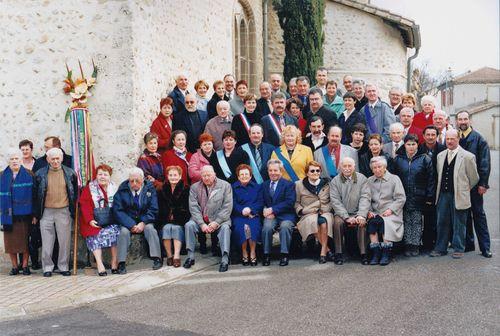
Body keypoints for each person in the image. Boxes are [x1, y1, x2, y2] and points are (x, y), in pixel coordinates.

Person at [430, 130, 479, 259]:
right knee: (442, 222)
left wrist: (464, 189)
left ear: (458, 139)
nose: (450, 141)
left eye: (452, 139)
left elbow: (474, 178)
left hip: (459, 194)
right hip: (443, 195)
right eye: (447, 139)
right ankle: (441, 248)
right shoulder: (441, 155)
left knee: (459, 223)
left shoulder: (468, 156)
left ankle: (458, 248)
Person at [32, 148, 78, 277]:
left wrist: (73, 211)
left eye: (58, 158)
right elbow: (35, 195)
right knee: (47, 241)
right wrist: (36, 214)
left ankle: (63, 266)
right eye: (52, 159)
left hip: (63, 210)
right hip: (46, 211)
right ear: (48, 160)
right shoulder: (40, 174)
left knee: (64, 240)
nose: (55, 161)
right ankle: (47, 267)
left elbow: (74, 193)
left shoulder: (70, 173)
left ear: (62, 158)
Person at [456, 111, 492, 258]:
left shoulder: (479, 139)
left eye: (465, 119)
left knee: (478, 215)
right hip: (460, 184)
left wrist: (483, 183)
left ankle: (485, 247)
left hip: (475, 184)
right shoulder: (455, 137)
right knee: (464, 215)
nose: (463, 121)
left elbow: (485, 163)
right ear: (456, 121)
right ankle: (468, 244)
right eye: (460, 119)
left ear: (470, 120)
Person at [392, 134, 434, 257]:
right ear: (404, 145)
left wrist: (429, 196)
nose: (411, 147)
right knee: (405, 220)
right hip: (403, 195)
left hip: (419, 195)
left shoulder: (424, 159)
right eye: (408, 144)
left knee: (416, 221)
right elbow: (394, 178)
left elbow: (431, 179)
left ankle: (415, 245)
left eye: (413, 144)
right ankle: (407, 244)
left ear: (417, 145)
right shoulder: (398, 159)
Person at [113, 168, 162, 274]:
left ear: (142, 179)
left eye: (137, 181)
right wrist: (131, 224)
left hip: (145, 220)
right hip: (128, 220)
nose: (134, 183)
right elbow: (117, 210)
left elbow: (154, 209)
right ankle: (121, 263)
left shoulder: (150, 188)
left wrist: (143, 222)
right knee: (123, 232)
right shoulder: (122, 189)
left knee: (150, 229)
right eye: (131, 181)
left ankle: (157, 258)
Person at [185, 165, 233, 272]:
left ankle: (225, 258)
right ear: (201, 176)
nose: (206, 178)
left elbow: (227, 207)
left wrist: (216, 222)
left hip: (220, 219)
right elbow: (193, 207)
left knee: (225, 228)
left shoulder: (225, 186)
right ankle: (190, 256)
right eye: (204, 175)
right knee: (189, 225)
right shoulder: (194, 187)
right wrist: (201, 224)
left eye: (209, 175)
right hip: (201, 219)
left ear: (214, 174)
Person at [78, 164, 120, 276]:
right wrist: (90, 220)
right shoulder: (90, 188)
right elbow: (84, 205)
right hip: (94, 221)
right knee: (94, 235)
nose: (102, 177)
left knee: (116, 232)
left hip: (111, 220)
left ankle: (114, 261)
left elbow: (120, 205)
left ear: (109, 176)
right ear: (96, 175)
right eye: (100, 174)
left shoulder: (114, 187)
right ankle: (100, 263)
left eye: (105, 174)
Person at [366, 156, 406, 266]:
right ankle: (376, 253)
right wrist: (369, 211)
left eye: (379, 167)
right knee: (373, 223)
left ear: (385, 167)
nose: (377, 170)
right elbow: (366, 198)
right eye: (374, 168)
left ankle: (386, 253)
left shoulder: (394, 179)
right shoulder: (369, 181)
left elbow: (401, 198)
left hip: (391, 213)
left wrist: (391, 210)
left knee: (384, 222)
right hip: (375, 212)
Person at [330, 157, 370, 265]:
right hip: (342, 213)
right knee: (337, 223)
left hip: (358, 212)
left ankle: (363, 253)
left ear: (354, 167)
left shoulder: (362, 179)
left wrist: (361, 215)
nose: (347, 168)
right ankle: (338, 253)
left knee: (362, 223)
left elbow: (365, 198)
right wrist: (346, 217)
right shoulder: (335, 181)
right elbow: (335, 201)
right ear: (340, 167)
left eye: (349, 166)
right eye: (344, 166)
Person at [1, 149, 34, 275]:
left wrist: (34, 215)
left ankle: (25, 266)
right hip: (7, 215)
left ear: (21, 161)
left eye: (17, 159)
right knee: (10, 243)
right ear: (8, 161)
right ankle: (14, 267)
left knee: (24, 241)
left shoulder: (29, 174)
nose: (14, 161)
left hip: (24, 215)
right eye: (12, 159)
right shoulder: (2, 175)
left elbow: (34, 195)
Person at [294, 161, 334, 263]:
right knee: (312, 222)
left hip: (324, 211)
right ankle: (327, 251)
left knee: (324, 222)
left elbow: (332, 201)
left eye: (318, 170)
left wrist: (325, 209)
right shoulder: (299, 184)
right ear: (307, 173)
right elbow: (297, 203)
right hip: (308, 213)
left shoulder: (327, 184)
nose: (315, 172)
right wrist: (303, 211)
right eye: (312, 171)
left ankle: (323, 253)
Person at [186, 133, 219, 255]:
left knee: (213, 213)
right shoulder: (195, 156)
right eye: (204, 144)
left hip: (214, 187)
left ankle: (215, 244)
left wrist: (212, 178)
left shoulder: (216, 155)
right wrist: (206, 175)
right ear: (201, 145)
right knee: (200, 213)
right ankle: (203, 243)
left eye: (209, 143)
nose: (207, 146)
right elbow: (192, 172)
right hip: (199, 188)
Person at [261, 160, 296, 266]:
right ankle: (266, 254)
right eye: (270, 170)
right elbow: (261, 200)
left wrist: (273, 210)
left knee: (285, 227)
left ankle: (284, 254)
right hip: (270, 215)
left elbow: (290, 202)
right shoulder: (264, 185)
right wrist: (264, 210)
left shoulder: (289, 184)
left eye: (275, 170)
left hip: (286, 214)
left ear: (281, 171)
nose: (273, 173)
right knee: (267, 227)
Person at [419, 125, 446, 252]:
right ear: (423, 136)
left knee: (437, 217)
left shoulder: (443, 149)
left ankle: (437, 243)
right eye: (428, 135)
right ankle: (426, 243)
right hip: (422, 187)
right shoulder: (419, 149)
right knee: (425, 216)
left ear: (437, 136)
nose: (430, 137)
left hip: (439, 187)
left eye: (433, 135)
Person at [231, 164, 264, 266]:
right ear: (238, 176)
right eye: (242, 174)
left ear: (250, 176)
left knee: (252, 227)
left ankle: (253, 251)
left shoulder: (257, 187)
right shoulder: (233, 187)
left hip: (253, 214)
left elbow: (260, 202)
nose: (244, 176)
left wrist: (251, 210)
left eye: (246, 174)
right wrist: (242, 210)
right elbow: (232, 203)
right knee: (243, 228)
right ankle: (244, 251)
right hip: (239, 215)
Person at [158, 166, 190, 268]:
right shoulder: (161, 189)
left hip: (180, 219)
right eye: (170, 175)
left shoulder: (186, 189)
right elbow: (160, 207)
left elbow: (187, 207)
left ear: (180, 176)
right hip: (165, 219)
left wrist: (175, 214)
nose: (173, 177)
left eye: (175, 175)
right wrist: (167, 215)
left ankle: (176, 256)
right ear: (167, 176)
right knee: (167, 228)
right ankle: (169, 255)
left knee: (175, 228)